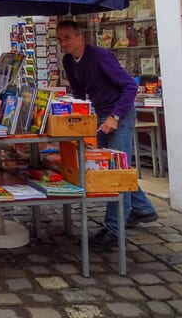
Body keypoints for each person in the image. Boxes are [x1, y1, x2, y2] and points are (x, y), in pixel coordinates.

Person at [56, 20, 158, 248]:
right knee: (111, 169)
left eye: (67, 38)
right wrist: (74, 116)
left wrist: (115, 117)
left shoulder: (100, 56)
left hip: (118, 114)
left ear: (80, 37)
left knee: (115, 171)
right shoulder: (68, 61)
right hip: (100, 114)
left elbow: (130, 87)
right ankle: (143, 209)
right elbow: (79, 93)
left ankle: (113, 229)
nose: (63, 43)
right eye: (59, 39)